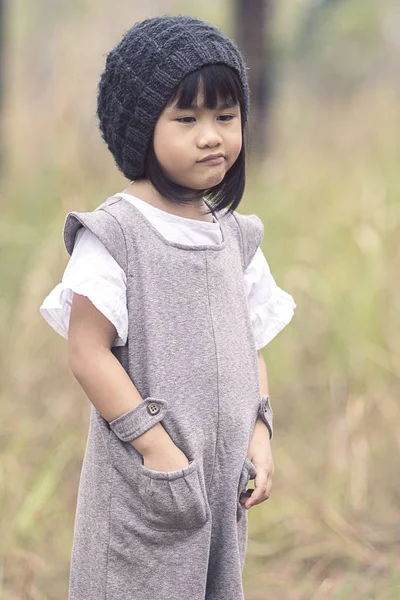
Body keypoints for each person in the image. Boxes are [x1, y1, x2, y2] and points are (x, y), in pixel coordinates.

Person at [40, 14, 296, 600]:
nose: (212, 136)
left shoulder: (234, 235)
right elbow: (87, 351)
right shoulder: (117, 235)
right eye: (187, 119)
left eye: (226, 118)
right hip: (149, 482)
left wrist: (260, 427)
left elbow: (248, 344)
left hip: (221, 479)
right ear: (140, 130)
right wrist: (155, 448)